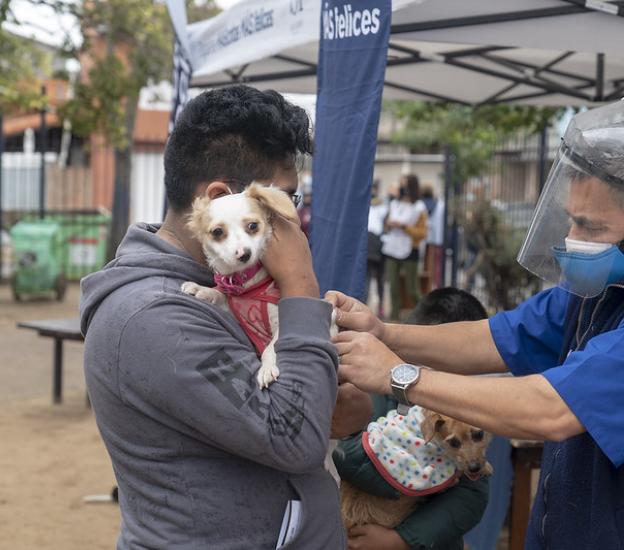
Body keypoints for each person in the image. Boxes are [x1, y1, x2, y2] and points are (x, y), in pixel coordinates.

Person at [328, 97, 624, 549]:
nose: (571, 239)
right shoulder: (612, 284)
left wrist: (398, 375)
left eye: (589, 227)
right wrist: (384, 332)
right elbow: (498, 336)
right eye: (570, 221)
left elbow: (552, 409)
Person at [80, 85, 373, 550]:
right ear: (220, 199)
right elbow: (294, 436)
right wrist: (301, 287)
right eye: (286, 203)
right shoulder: (155, 317)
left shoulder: (226, 287)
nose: (294, 223)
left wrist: (329, 404)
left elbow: (300, 414)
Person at [335, 287, 490, 550]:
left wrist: (402, 540)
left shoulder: (467, 413)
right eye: (424, 365)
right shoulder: (375, 393)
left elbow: (472, 496)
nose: (431, 381)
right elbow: (345, 459)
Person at [382, 174, 428, 320]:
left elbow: (422, 233)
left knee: (412, 289)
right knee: (393, 288)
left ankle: (426, 315)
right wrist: (388, 225)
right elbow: (386, 225)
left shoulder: (419, 208)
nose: (402, 188)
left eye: (405, 185)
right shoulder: (394, 204)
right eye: (401, 185)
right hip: (392, 248)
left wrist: (404, 227)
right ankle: (394, 318)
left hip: (410, 250)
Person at [367, 180, 388, 317]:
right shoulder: (381, 207)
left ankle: (380, 306)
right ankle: (365, 304)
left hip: (379, 245)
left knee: (379, 279)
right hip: (372, 243)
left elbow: (387, 226)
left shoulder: (384, 207)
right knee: (369, 278)